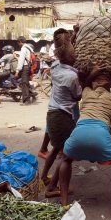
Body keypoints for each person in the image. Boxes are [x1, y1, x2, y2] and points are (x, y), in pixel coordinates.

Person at [59, 69, 111, 219]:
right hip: (100, 134)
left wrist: (96, 72)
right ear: (110, 84)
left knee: (66, 160)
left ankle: (63, 204)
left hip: (78, 133)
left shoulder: (87, 92)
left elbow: (87, 81)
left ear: (93, 83)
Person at [40, 29, 82, 197]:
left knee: (56, 148)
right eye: (74, 56)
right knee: (66, 155)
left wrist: (73, 37)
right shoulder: (71, 77)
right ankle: (51, 189)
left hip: (52, 113)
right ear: (69, 58)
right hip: (63, 116)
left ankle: (44, 177)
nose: (76, 58)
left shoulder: (55, 65)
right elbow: (78, 95)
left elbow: (65, 50)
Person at [15, 36, 34, 104]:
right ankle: (31, 95)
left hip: (25, 67)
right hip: (29, 67)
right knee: (26, 83)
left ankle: (26, 100)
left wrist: (17, 71)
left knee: (24, 83)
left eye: (18, 43)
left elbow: (21, 60)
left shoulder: (23, 48)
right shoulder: (29, 48)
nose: (18, 44)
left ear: (20, 42)